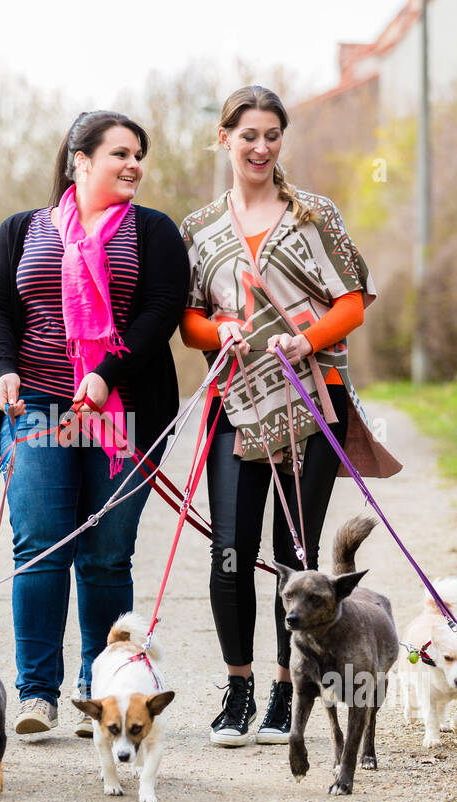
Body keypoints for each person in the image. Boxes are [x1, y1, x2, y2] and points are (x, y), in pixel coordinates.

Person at [179, 86, 401, 747]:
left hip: (313, 395)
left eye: (272, 134)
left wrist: (306, 339)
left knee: (292, 555)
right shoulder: (198, 229)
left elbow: (353, 300)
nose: (260, 146)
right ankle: (238, 688)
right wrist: (219, 334)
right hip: (236, 404)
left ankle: (286, 688)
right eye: (247, 134)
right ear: (224, 139)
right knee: (230, 550)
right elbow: (188, 320)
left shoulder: (315, 214)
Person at [0, 111, 190, 736]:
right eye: (120, 153)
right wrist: (2, 369)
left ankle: (101, 691)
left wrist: (105, 371)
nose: (133, 165)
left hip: (120, 412)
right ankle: (37, 694)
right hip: (38, 407)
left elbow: (159, 313)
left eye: (139, 155)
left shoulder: (153, 232)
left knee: (103, 556)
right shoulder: (23, 230)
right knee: (39, 545)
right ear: (80, 159)